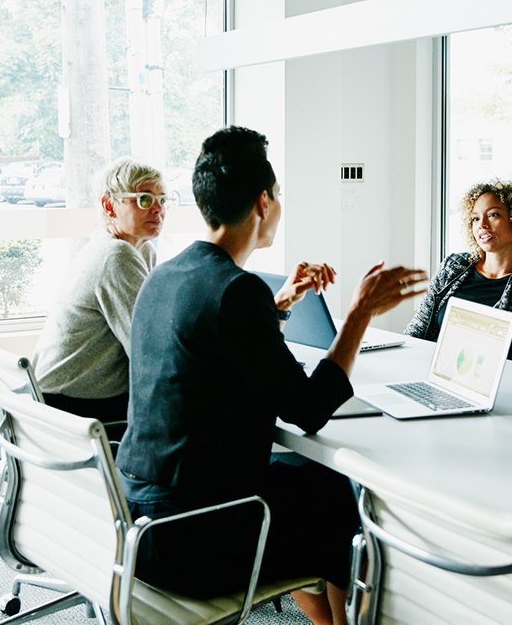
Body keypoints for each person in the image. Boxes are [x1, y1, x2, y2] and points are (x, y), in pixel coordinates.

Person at [116, 126, 428, 625]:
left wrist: (279, 305)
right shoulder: (236, 290)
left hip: (137, 521)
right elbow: (309, 409)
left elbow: (224, 351)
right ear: (264, 203)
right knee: (336, 495)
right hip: (192, 536)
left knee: (312, 485)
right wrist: (358, 315)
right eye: (278, 196)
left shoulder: (168, 273)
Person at [31, 157, 168, 431]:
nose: (157, 209)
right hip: (71, 405)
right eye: (143, 199)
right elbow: (148, 348)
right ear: (109, 205)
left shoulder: (138, 250)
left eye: (163, 200)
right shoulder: (116, 255)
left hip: (62, 394)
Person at [405, 180, 512, 366]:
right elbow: (417, 330)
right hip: (431, 369)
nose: (482, 225)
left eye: (493, 215)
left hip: (497, 385)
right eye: (475, 219)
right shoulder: (454, 266)